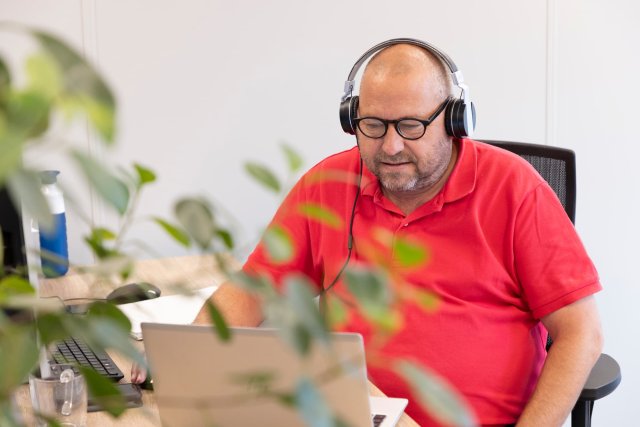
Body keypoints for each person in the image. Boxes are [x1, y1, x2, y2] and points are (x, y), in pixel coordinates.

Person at [133, 41, 603, 426]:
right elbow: (253, 289)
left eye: (412, 126)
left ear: (455, 120)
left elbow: (581, 333)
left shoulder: (514, 188)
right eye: (373, 126)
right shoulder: (329, 184)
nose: (392, 146)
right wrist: (184, 358)